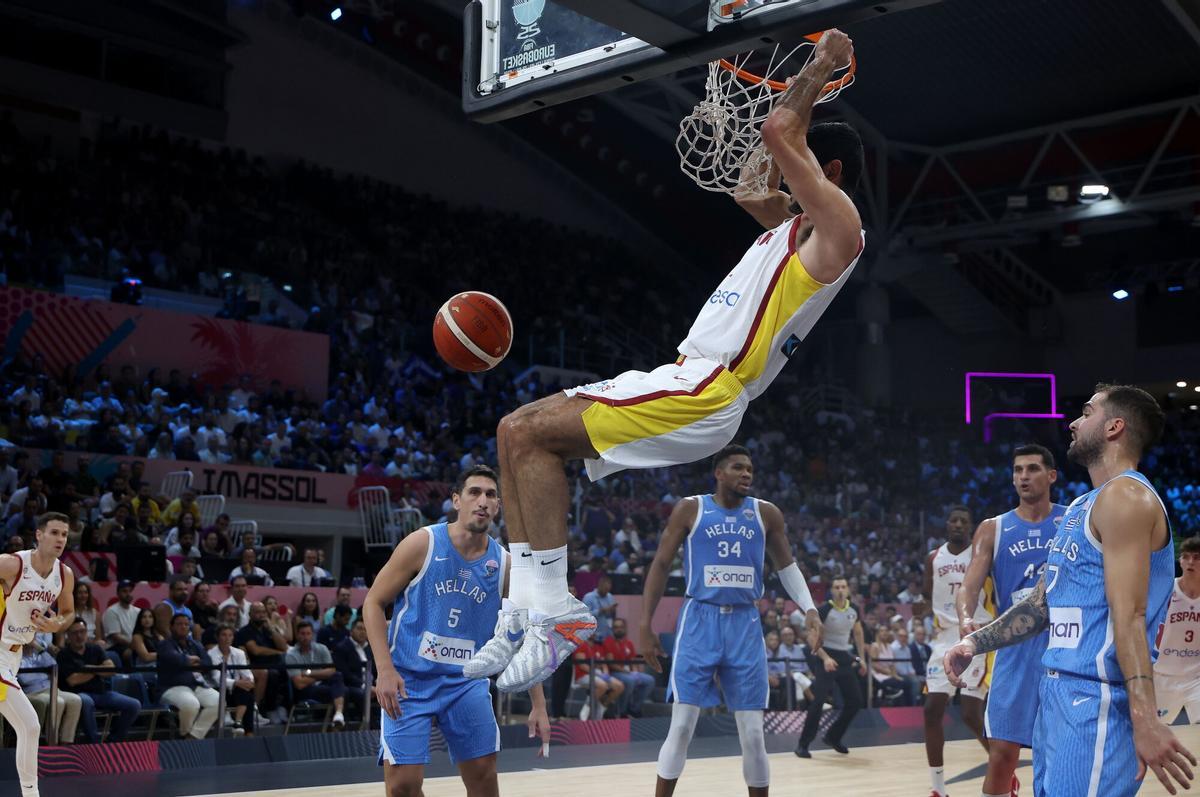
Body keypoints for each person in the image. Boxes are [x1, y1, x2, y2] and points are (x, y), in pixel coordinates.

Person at [472, 29, 863, 694]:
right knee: (516, 433)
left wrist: (820, 67)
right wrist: (793, 119)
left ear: (834, 176)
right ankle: (526, 607)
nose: (792, 174)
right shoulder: (784, 225)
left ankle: (557, 613)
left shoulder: (840, 234)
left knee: (532, 434)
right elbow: (750, 181)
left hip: (711, 388)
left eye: (809, 164)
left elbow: (776, 131)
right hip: (685, 374)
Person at [945, 384, 1195, 796]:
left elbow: (1129, 616)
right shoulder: (1082, 506)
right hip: (1056, 692)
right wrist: (975, 642)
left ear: (1115, 426)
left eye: (1087, 411)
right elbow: (1042, 604)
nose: (1073, 422)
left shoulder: (1128, 497)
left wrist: (1144, 717)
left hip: (1098, 701)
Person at [635, 445, 820, 795]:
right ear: (718, 473)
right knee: (682, 726)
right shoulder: (691, 508)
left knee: (752, 733)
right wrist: (645, 624)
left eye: (750, 469)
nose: (746, 474)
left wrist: (809, 608)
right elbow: (660, 564)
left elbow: (787, 567)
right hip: (699, 620)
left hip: (745, 624)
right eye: (738, 468)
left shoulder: (767, 514)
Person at [362, 466, 550, 797]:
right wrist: (385, 671)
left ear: (497, 506)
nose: (483, 501)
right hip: (410, 681)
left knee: (483, 776)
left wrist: (539, 704)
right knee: (402, 786)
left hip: (465, 683)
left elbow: (524, 633)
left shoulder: (504, 565)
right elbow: (373, 603)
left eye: (491, 495)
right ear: (456, 501)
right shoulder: (422, 543)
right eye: (474, 492)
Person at [955, 444, 1069, 797]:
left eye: (1032, 469)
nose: (1023, 476)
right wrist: (965, 617)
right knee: (1003, 754)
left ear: (1051, 476)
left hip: (1063, 644)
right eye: (1018, 470)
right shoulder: (993, 528)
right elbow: (969, 585)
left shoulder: (1073, 520)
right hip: (1014, 647)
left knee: (1060, 755)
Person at [0, 511, 76, 797]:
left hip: (14, 656)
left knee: (27, 727)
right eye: (54, 532)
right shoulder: (12, 564)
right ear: (39, 535)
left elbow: (68, 613)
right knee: (30, 725)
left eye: (65, 534)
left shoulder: (64, 574)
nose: (60, 539)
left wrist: (57, 623)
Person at [923, 505, 992, 796]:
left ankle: (1003, 765)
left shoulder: (981, 556)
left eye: (965, 520)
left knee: (970, 713)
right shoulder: (933, 559)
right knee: (931, 711)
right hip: (943, 638)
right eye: (954, 520)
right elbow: (928, 594)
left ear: (971, 526)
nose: (959, 525)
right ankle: (938, 789)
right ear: (947, 524)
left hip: (977, 635)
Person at [795, 577, 865, 758]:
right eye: (836, 587)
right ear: (832, 591)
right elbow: (811, 638)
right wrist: (825, 658)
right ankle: (803, 745)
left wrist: (862, 659)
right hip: (824, 656)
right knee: (818, 701)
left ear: (848, 589)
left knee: (855, 701)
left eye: (843, 586)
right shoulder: (824, 610)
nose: (840, 589)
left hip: (843, 658)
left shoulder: (854, 610)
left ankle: (833, 737)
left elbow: (858, 633)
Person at [1155, 537, 1200, 725]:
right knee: (1157, 733)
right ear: (1180, 561)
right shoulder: (1166, 590)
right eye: (1185, 557)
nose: (1190, 562)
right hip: (1162, 675)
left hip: (1196, 678)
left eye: (1197, 557)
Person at [157, 612, 222, 740]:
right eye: (179, 624)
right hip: (172, 686)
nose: (183, 627)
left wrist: (193, 661)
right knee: (191, 704)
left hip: (195, 684)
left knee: (220, 701)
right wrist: (188, 660)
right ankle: (184, 733)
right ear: (171, 627)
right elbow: (173, 658)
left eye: (186, 624)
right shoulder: (165, 644)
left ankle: (193, 736)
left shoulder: (194, 644)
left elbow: (207, 662)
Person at [19, 640, 82, 745]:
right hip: (33, 692)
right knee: (58, 702)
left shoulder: (39, 654)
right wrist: (45, 674)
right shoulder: (17, 656)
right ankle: (52, 743)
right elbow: (24, 679)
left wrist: (40, 649)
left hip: (50, 689)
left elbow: (54, 667)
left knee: (75, 700)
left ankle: (67, 742)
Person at [286, 621, 347, 729]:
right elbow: (299, 683)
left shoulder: (322, 648)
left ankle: (338, 715)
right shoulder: (291, 654)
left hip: (322, 684)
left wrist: (307, 673)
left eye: (308, 633)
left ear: (313, 635)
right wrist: (322, 675)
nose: (305, 637)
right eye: (302, 634)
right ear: (297, 635)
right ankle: (337, 719)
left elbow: (332, 670)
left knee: (337, 676)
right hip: (305, 691)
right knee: (342, 691)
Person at [208, 622, 255, 735]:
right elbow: (216, 678)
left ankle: (238, 722)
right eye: (224, 635)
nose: (227, 638)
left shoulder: (239, 653)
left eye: (230, 635)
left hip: (237, 691)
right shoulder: (210, 654)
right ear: (217, 637)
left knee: (246, 691)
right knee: (247, 695)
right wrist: (236, 682)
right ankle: (247, 732)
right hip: (218, 691)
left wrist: (249, 680)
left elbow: (246, 672)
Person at [603, 617, 655, 718]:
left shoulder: (629, 643)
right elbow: (611, 663)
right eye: (616, 627)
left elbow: (632, 661)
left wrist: (636, 672)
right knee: (630, 680)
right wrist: (628, 673)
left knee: (649, 680)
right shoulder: (608, 641)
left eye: (621, 627)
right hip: (613, 673)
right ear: (612, 629)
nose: (618, 629)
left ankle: (634, 709)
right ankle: (622, 711)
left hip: (626, 672)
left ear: (625, 628)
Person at [583, 575, 617, 643]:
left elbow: (612, 616)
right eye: (605, 589)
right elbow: (584, 616)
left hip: (608, 634)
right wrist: (600, 611)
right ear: (599, 585)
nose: (606, 592)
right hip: (594, 636)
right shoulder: (589, 597)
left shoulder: (610, 596)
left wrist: (613, 611)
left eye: (608, 590)